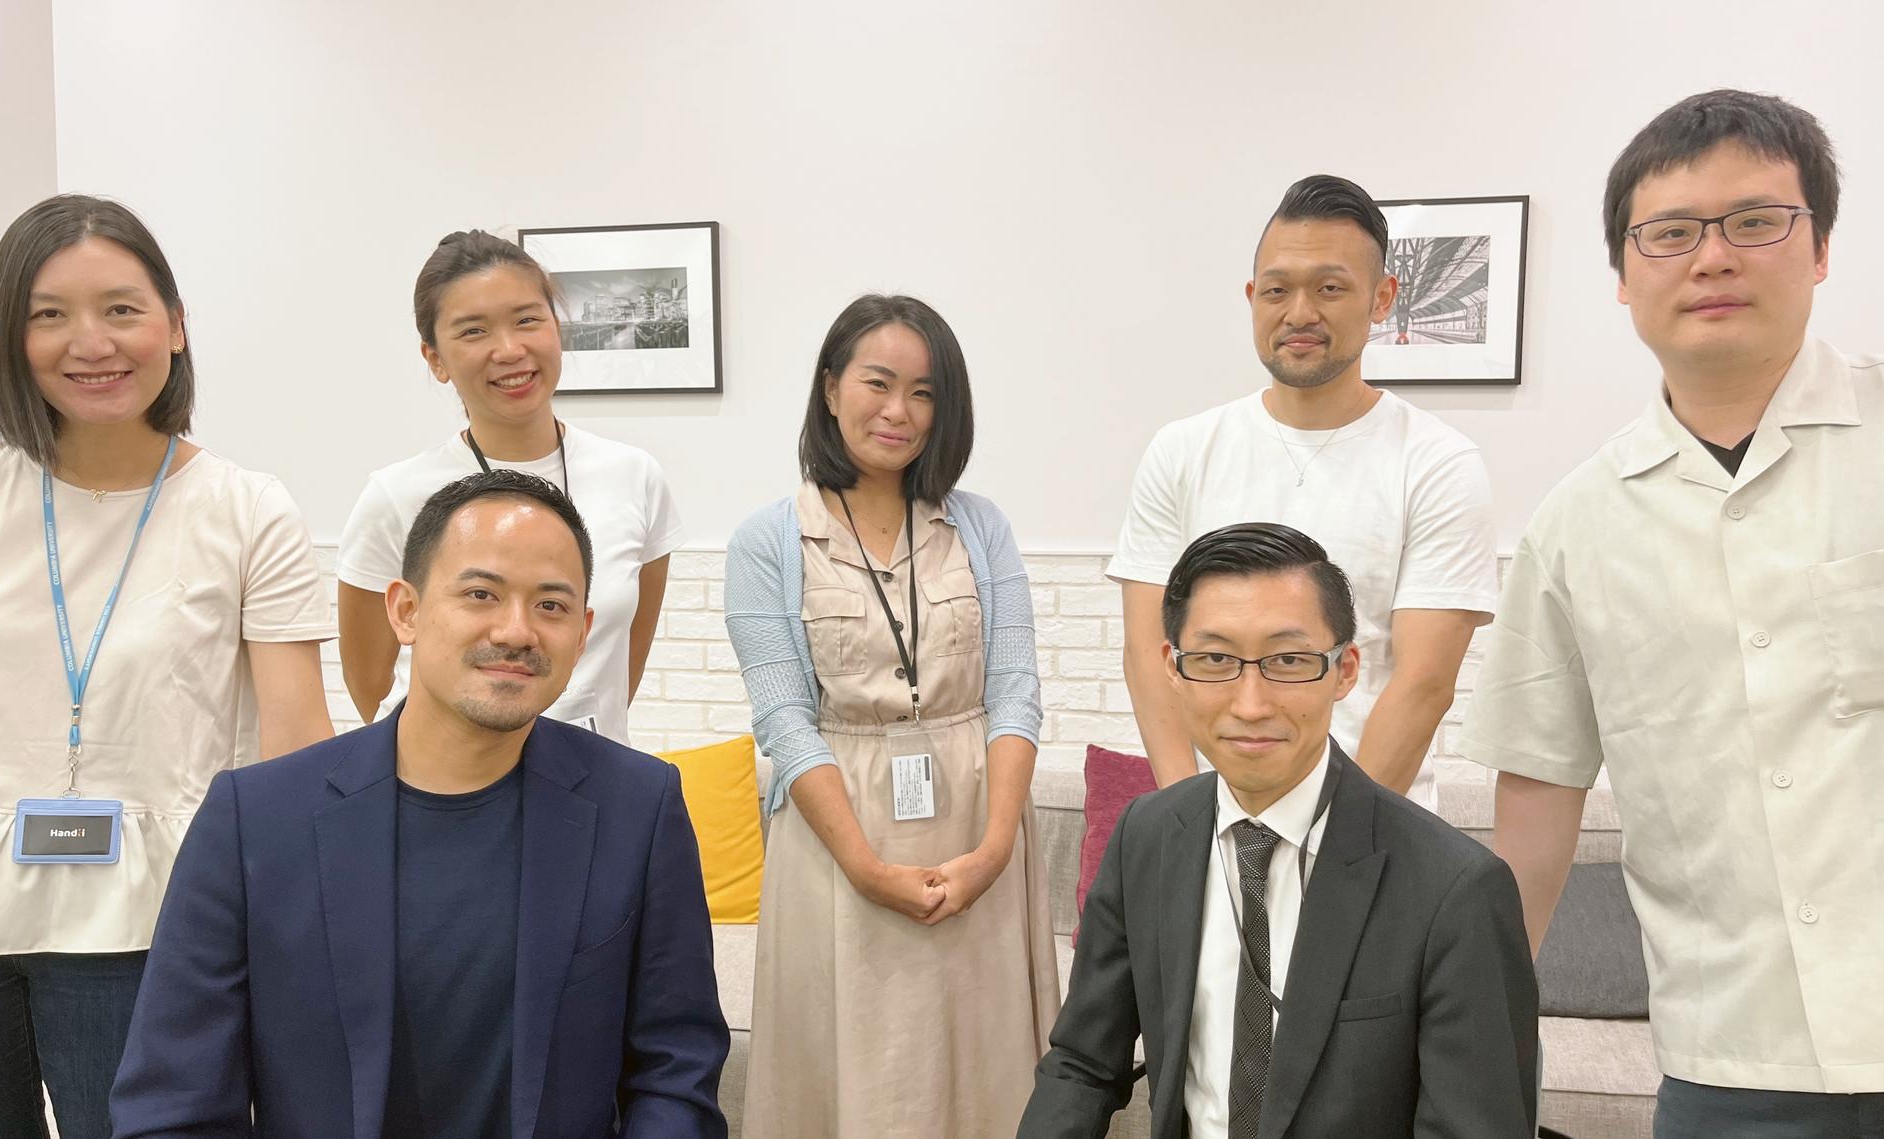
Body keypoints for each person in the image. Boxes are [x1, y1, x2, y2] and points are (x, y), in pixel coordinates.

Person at [1458, 90, 1884, 1136]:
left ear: (1820, 249)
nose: (1713, 257)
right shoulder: (1575, 526)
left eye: (1755, 220)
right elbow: (1536, 801)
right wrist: (1473, 1046)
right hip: (1731, 1059)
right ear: (1622, 273)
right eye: (1671, 232)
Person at [109, 469, 728, 1138]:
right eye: (481, 594)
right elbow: (174, 1101)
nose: (516, 631)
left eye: (551, 606)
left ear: (582, 634)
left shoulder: (639, 806)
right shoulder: (254, 817)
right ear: (405, 610)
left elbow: (676, 1068)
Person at [0, 195, 334, 1138]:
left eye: (121, 308)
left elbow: (297, 746)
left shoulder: (247, 509)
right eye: (49, 314)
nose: (92, 343)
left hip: (150, 924)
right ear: (10, 338)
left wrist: (299, 925)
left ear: (175, 325)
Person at [1023, 523, 1538, 1139]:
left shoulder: (1455, 888)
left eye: (1289, 661)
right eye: (1215, 659)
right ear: (1173, 669)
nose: (1250, 705)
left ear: (1344, 670)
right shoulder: (1147, 836)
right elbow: (1083, 1063)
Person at [724, 293, 1058, 1137]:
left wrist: (995, 850)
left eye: (924, 392)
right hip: (838, 840)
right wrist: (866, 867)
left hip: (977, 827)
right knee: (858, 1075)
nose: (899, 411)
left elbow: (1015, 691)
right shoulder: (768, 540)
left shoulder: (980, 526)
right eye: (879, 383)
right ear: (831, 387)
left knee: (986, 1073)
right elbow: (784, 720)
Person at [1110, 175, 1497, 809]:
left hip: (1371, 825)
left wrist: (1335, 840)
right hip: (1212, 824)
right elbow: (1150, 656)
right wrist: (1187, 821)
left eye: (1330, 288)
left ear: (1382, 298)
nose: (1299, 314)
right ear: (1252, 298)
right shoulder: (1181, 450)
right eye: (1277, 290)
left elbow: (1423, 684)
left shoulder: (1436, 462)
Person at [337, 229, 681, 743]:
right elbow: (370, 683)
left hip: (589, 770)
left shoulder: (635, 476)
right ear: (435, 358)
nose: (509, 350)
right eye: (473, 331)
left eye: (527, 320)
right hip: (444, 774)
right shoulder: (395, 495)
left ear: (557, 328)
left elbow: (619, 666)